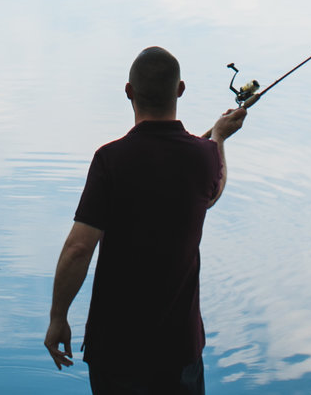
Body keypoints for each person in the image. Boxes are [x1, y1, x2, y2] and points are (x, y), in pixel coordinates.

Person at [43, 46, 248, 394]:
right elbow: (213, 192)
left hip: (115, 349)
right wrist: (219, 138)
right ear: (180, 89)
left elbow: (79, 248)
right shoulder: (204, 157)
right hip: (179, 348)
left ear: (129, 92)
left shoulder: (110, 160)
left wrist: (58, 317)